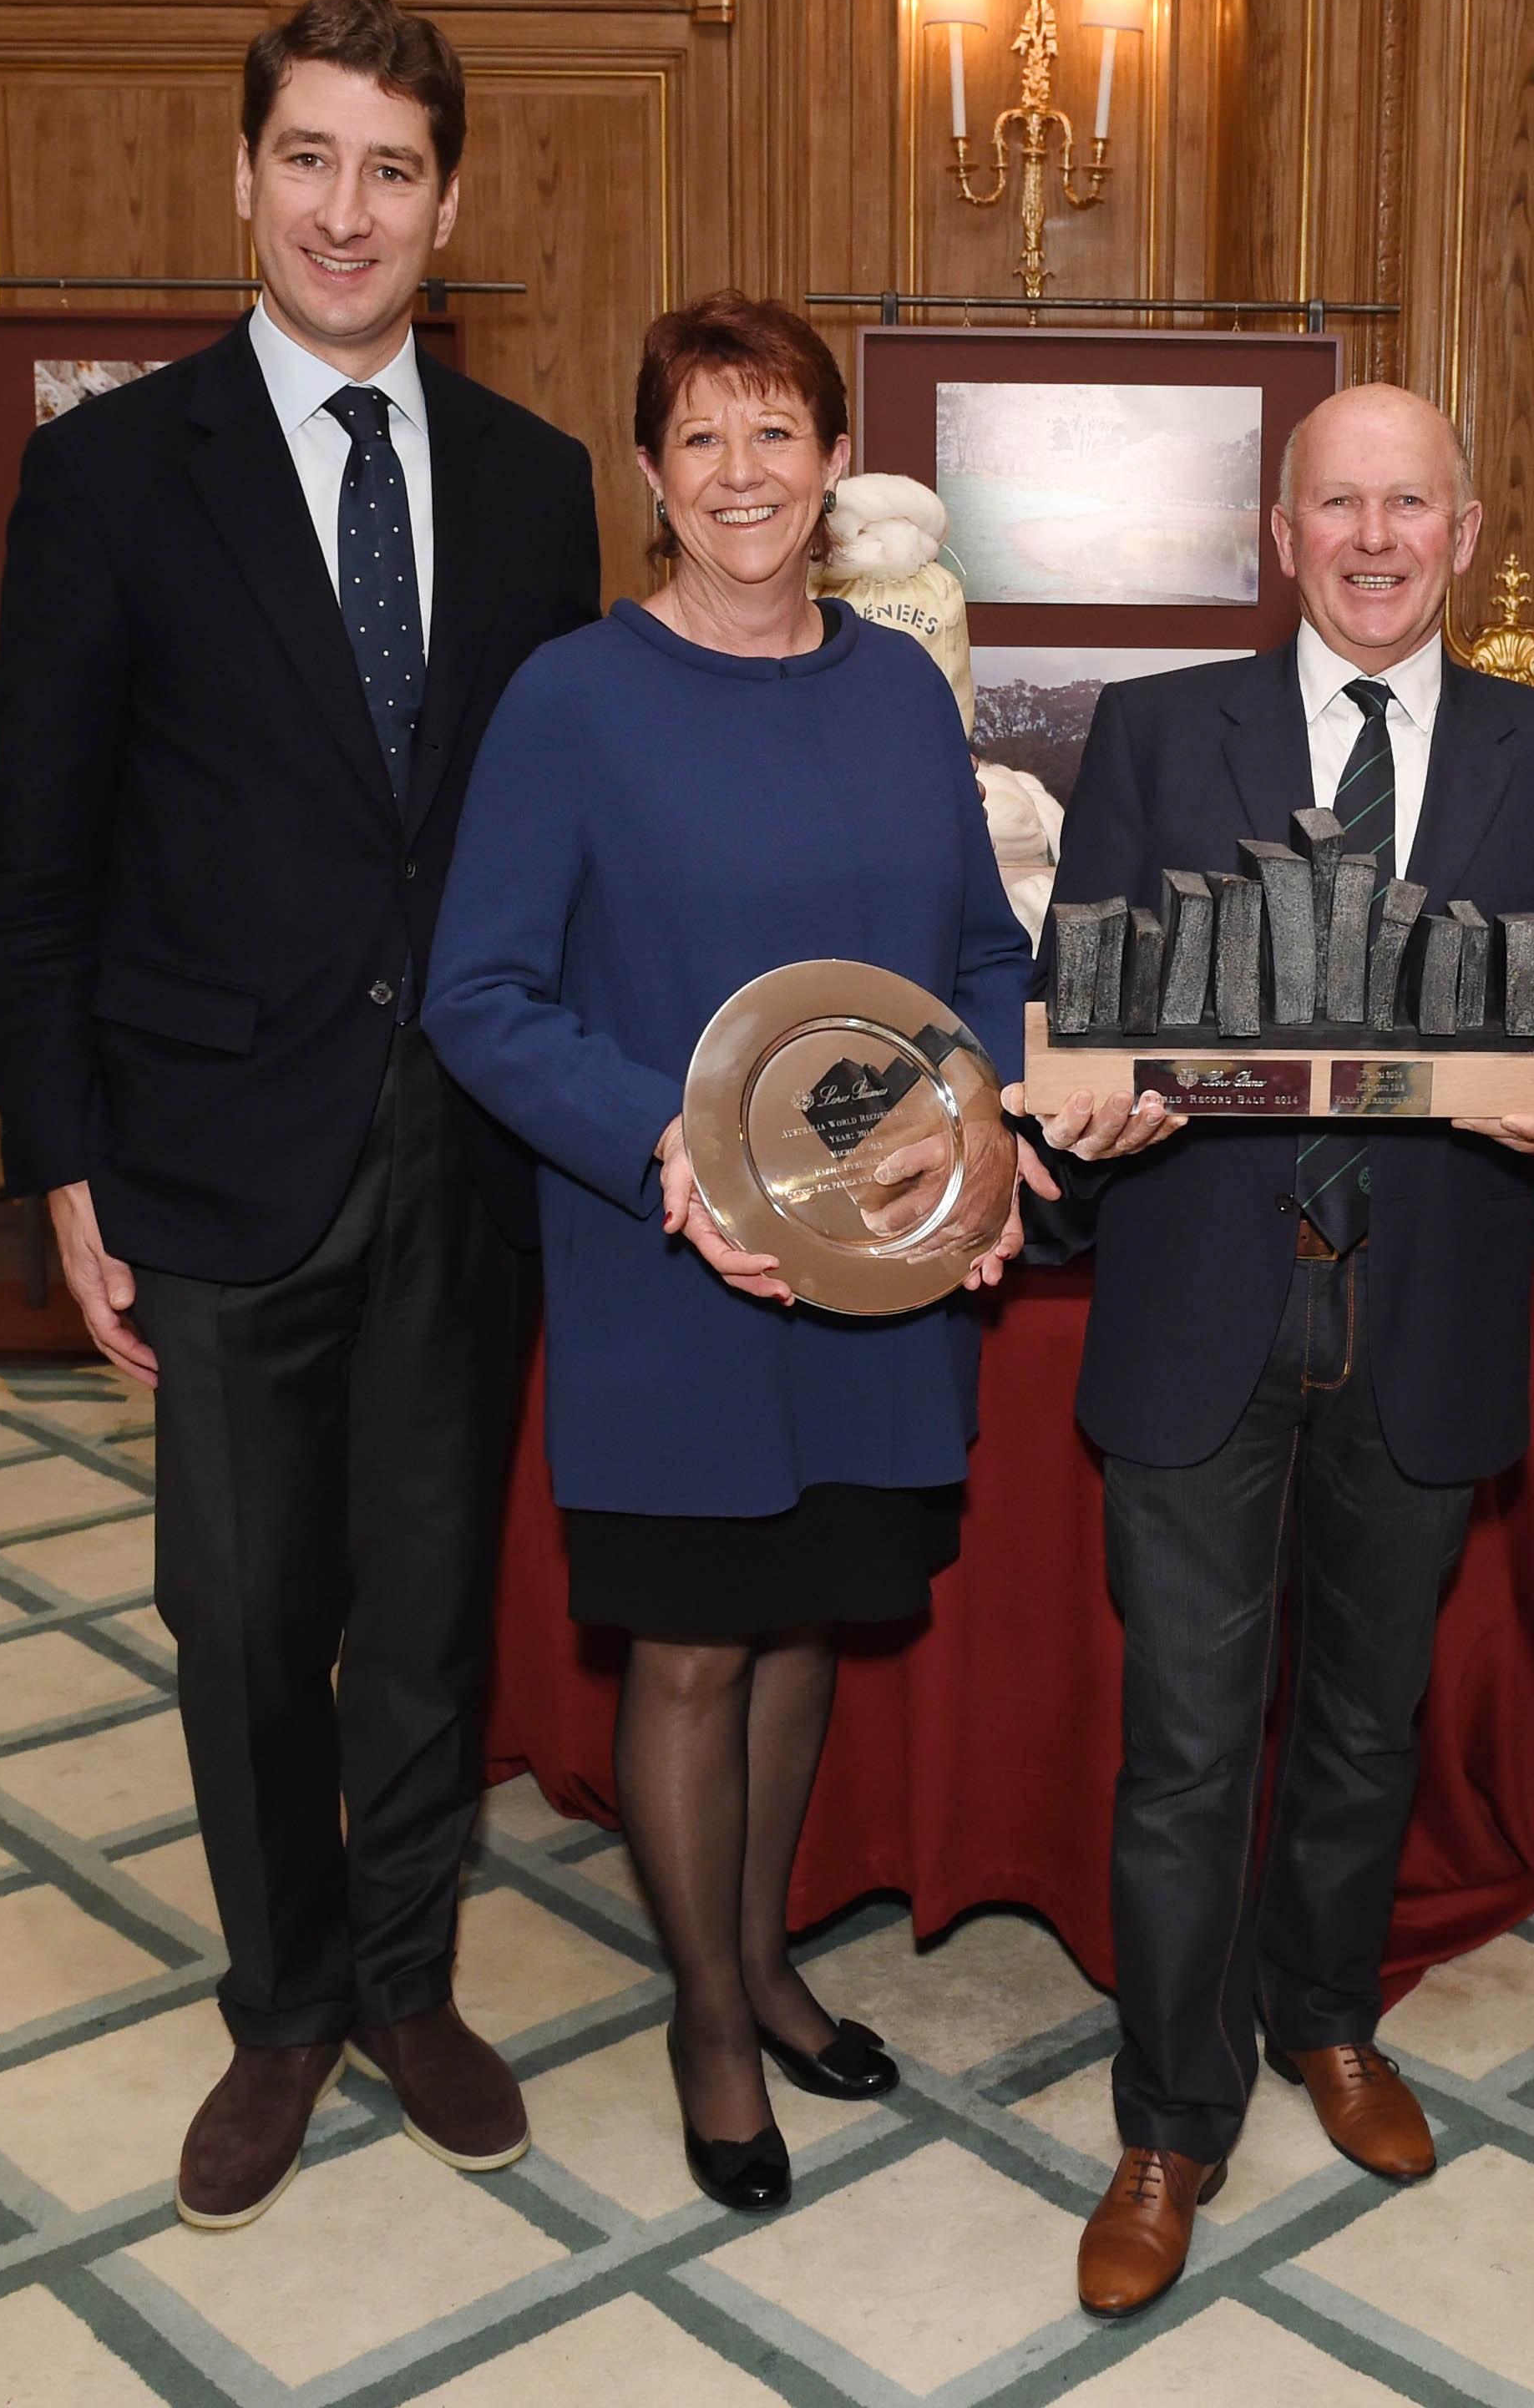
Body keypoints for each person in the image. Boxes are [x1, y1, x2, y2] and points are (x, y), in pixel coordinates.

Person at [0, 0, 600, 2233]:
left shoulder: (535, 488)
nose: (349, 209)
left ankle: (414, 1974)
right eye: (310, 159)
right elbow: (33, 853)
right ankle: (285, 1998)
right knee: (242, 1609)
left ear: (454, 203)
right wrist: (62, 1155)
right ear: (241, 179)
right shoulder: (113, 470)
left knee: (430, 1600)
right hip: (215, 1146)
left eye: (394, 169)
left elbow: (555, 834)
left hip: (472, 1146)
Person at [423, 295, 1043, 2216]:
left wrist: (991, 1123)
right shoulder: (572, 698)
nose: (744, 475)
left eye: (778, 436)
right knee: (692, 1642)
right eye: (701, 440)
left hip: (871, 1261)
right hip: (672, 1261)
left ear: (834, 464)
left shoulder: (891, 692)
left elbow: (983, 959)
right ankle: (707, 2015)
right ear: (649, 480)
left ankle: (765, 1953)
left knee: (801, 1619)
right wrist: (677, 1161)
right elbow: (484, 995)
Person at [1036, 384, 1534, 2319]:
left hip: (1433, 1314)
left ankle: (1328, 2015)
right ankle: (1167, 2113)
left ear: (1466, 535)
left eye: (1412, 504)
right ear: (1277, 535)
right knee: (1190, 1745)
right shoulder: (1151, 734)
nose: (1376, 537)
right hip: (1199, 1303)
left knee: (1368, 1722)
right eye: (1338, 504)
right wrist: (1093, 1098)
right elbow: (1089, 984)